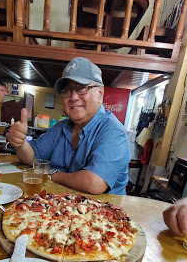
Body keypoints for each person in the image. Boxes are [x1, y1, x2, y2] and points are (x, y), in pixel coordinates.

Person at [8, 57, 131, 195]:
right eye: (67, 90)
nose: (73, 97)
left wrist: (54, 175)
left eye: (82, 88)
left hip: (103, 212)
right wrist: (20, 143)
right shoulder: (60, 128)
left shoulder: (113, 131)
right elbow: (32, 158)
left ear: (100, 93)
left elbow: (95, 183)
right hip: (60, 208)